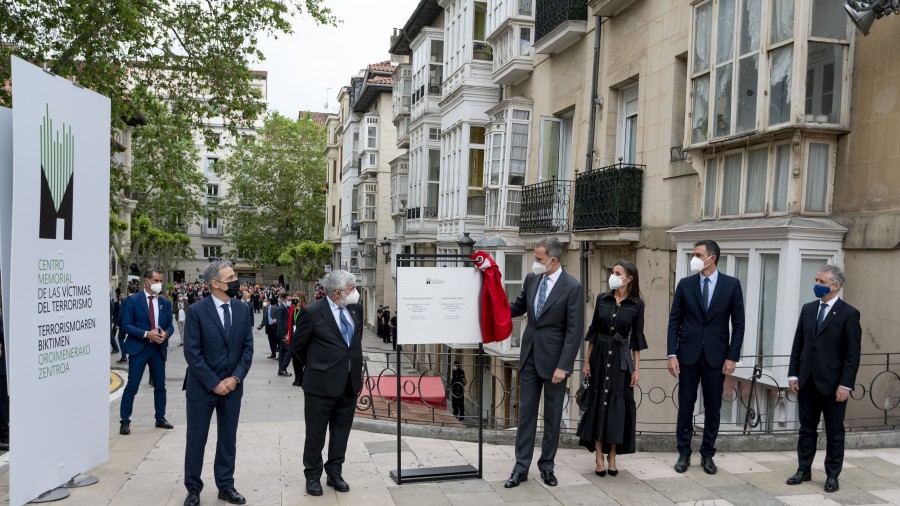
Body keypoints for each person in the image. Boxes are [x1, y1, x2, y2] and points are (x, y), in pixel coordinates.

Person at [504, 236, 584, 488]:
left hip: (555, 363)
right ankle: (520, 468)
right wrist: (492, 306)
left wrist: (564, 366)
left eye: (538, 258)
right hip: (529, 356)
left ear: (553, 260)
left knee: (552, 417)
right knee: (526, 415)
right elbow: (517, 307)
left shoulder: (572, 287)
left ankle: (547, 466)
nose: (534, 262)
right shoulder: (532, 279)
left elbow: (574, 331)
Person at [667, 240, 745, 475]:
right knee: (685, 406)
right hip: (687, 356)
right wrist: (672, 354)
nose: (695, 259)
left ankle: (708, 453)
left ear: (712, 258)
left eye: (699, 255)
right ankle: (683, 453)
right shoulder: (685, 284)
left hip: (716, 357)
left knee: (713, 408)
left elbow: (739, 324)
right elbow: (674, 321)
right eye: (694, 254)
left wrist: (732, 357)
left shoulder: (732, 285)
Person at [182, 260, 254, 506]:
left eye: (234, 276)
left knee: (228, 439)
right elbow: (192, 353)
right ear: (214, 283)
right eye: (230, 277)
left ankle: (226, 486)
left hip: (232, 387)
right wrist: (214, 383)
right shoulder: (196, 311)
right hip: (202, 388)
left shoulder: (242, 309)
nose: (236, 281)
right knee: (196, 439)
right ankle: (193, 488)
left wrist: (235, 378)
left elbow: (247, 349)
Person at [785, 265, 861, 493]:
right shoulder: (808, 309)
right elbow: (798, 344)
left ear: (835, 286)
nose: (817, 285)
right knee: (806, 429)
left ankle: (832, 475)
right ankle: (803, 469)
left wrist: (846, 385)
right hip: (807, 380)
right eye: (816, 280)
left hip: (834, 384)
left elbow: (852, 354)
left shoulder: (848, 313)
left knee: (834, 432)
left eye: (822, 282)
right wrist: (793, 373)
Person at [291, 270, 363, 496]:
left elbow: (354, 343)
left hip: (349, 383)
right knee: (316, 433)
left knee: (341, 431)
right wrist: (317, 367)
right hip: (320, 386)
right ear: (337, 292)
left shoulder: (355, 309)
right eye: (351, 289)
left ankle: (335, 472)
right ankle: (312, 475)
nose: (355, 293)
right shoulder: (312, 312)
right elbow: (298, 347)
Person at [578, 260, 647, 476]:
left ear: (629, 279)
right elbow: (593, 332)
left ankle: (612, 456)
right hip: (599, 357)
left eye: (618, 273)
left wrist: (636, 369)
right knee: (598, 406)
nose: (613, 276)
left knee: (617, 410)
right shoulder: (602, 299)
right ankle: (599, 456)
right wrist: (586, 362)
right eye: (612, 272)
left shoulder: (637, 305)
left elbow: (637, 339)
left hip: (621, 360)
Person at [119, 269, 176, 435]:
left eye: (160, 280)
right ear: (147, 281)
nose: (159, 284)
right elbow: (126, 325)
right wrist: (146, 334)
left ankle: (160, 417)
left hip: (158, 348)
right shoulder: (132, 300)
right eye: (156, 280)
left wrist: (166, 334)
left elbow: (170, 325)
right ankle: (124, 421)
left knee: (160, 386)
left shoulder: (164, 302)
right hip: (139, 349)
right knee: (132, 386)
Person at [286, 292, 307, 386]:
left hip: (302, 337)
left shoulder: (306, 308)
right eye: (293, 296)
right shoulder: (292, 308)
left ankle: (302, 377)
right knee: (294, 359)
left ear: (301, 298)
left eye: (296, 297)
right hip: (293, 336)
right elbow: (289, 322)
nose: (294, 298)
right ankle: (297, 377)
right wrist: (288, 334)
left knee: (301, 358)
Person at [275, 293, 293, 377]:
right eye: (289, 300)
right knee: (290, 351)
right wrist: (283, 334)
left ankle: (281, 370)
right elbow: (279, 322)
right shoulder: (281, 308)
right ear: (284, 299)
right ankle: (282, 368)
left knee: (282, 352)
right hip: (283, 334)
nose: (290, 301)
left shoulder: (286, 307)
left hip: (284, 333)